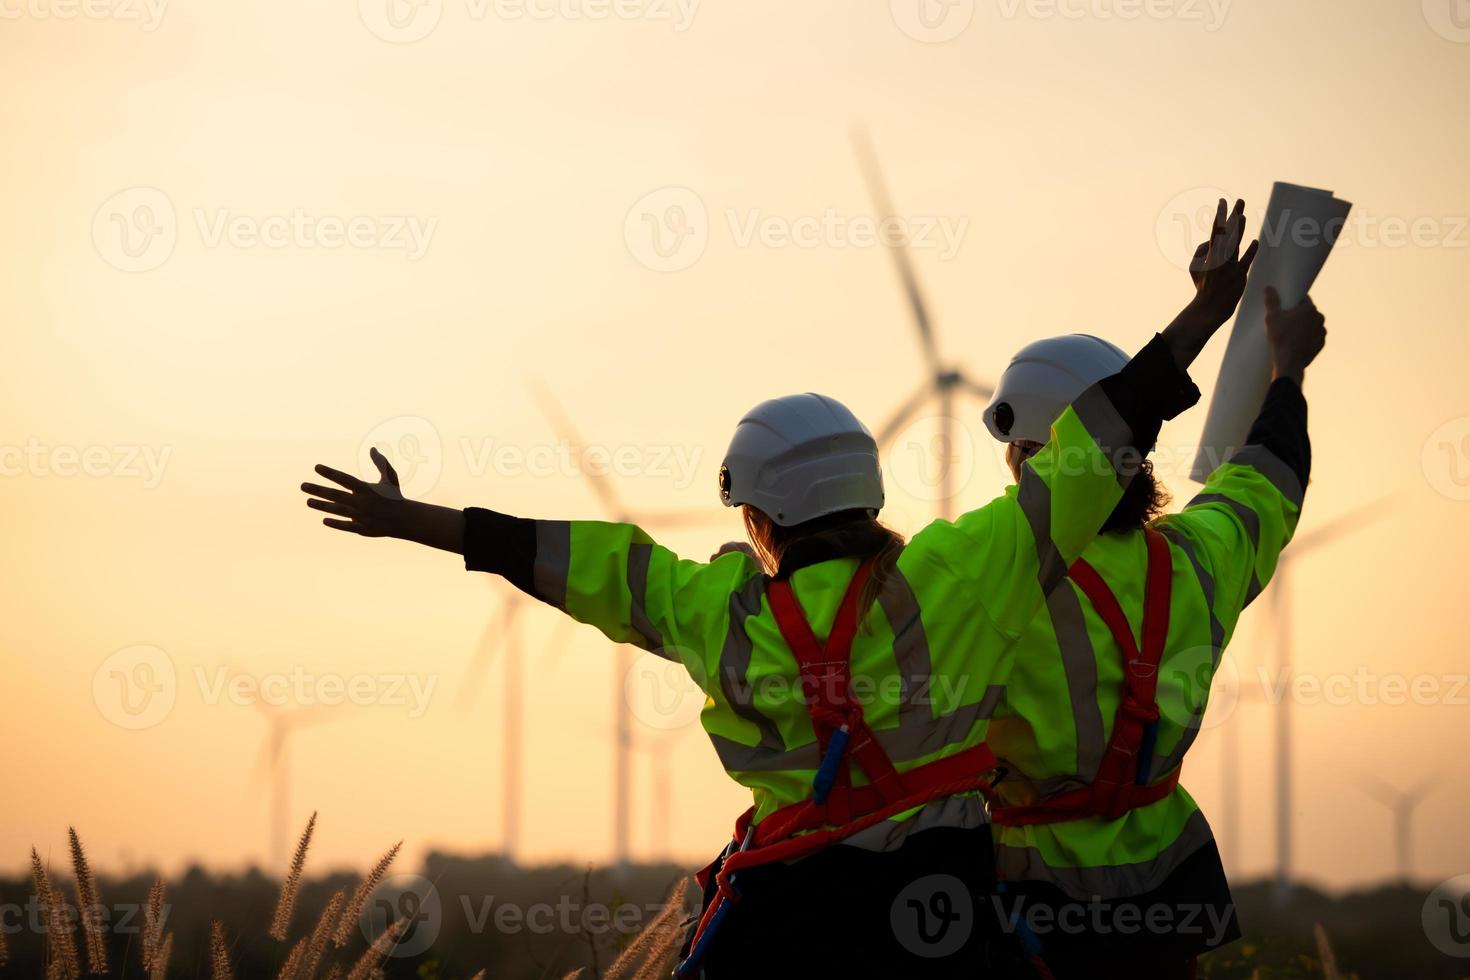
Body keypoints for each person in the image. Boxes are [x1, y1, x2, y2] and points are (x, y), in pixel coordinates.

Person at [298, 203, 1253, 975]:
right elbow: (1092, 454)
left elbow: (568, 558)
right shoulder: (960, 574)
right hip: (943, 922)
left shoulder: (713, 610)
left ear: (757, 519)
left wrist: (411, 518)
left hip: (787, 921)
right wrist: (1204, 315)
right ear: (868, 492)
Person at [979, 204, 1326, 979]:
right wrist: (1288, 375)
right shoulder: (1200, 559)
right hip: (1165, 897)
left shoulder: (992, 568)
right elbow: (1270, 476)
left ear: (1038, 452)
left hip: (1027, 905)